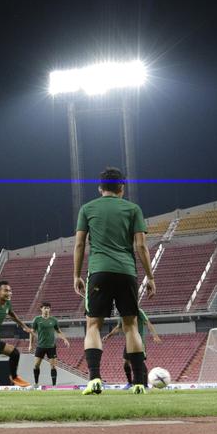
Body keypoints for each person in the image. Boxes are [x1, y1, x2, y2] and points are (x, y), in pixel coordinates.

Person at [72, 167, 155, 395]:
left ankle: (95, 379)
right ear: (122, 188)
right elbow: (141, 246)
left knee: (93, 325)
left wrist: (76, 275)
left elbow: (79, 244)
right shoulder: (133, 209)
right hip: (127, 272)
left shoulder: (87, 208)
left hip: (99, 271)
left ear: (100, 188)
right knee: (130, 326)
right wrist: (150, 276)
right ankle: (139, 383)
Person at [106, 308, 161, 389]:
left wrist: (155, 336)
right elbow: (118, 327)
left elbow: (148, 323)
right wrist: (108, 336)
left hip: (139, 341)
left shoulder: (138, 311)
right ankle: (130, 383)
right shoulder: (123, 313)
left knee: (140, 362)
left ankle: (145, 385)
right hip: (129, 341)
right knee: (126, 362)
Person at [29, 303, 70, 388]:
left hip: (51, 347)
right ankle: (36, 384)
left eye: (48, 308)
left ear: (50, 309)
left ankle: (54, 385)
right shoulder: (37, 319)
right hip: (40, 346)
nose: (46, 310)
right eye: (45, 308)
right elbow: (32, 332)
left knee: (53, 366)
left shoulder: (54, 320)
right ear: (41, 309)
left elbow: (58, 331)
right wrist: (30, 345)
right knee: (36, 365)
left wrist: (65, 339)